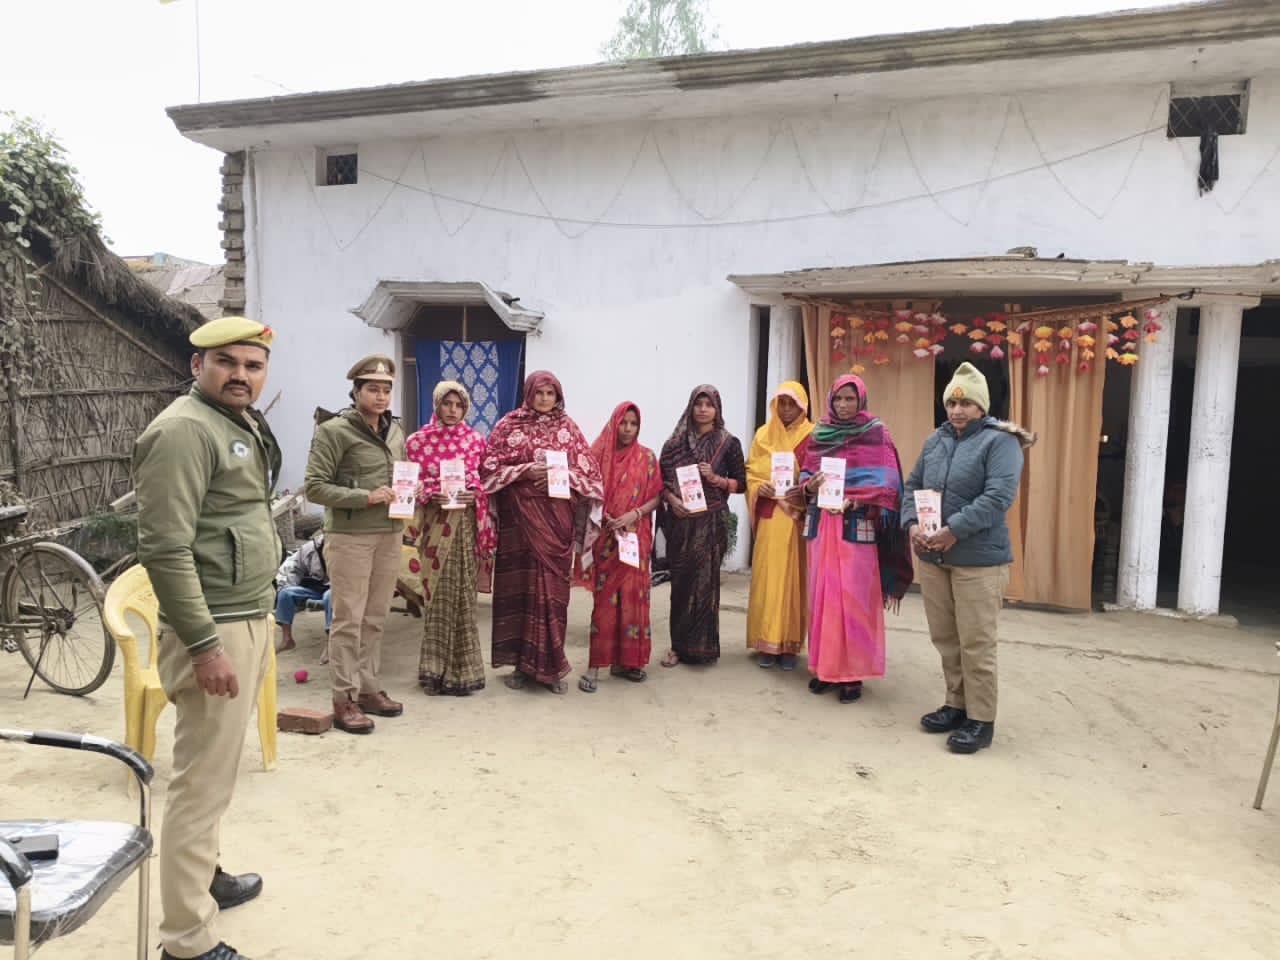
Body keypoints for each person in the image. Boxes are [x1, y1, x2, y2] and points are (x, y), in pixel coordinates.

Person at [133, 316, 280, 960]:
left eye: (253, 365)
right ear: (198, 366)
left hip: (244, 613)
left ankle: (206, 877)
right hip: (215, 626)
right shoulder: (183, 431)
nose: (241, 375)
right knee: (199, 784)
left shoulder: (232, 421)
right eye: (227, 363)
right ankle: (186, 941)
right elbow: (165, 549)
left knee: (218, 772)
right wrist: (203, 645)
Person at [901, 362, 1034, 754]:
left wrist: (953, 530)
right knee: (946, 638)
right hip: (934, 558)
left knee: (976, 642)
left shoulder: (1001, 442)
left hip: (979, 561)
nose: (958, 410)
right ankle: (956, 705)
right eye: (952, 403)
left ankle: (981, 719)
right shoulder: (936, 441)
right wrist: (912, 524)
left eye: (966, 403)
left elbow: (998, 497)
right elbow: (912, 486)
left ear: (982, 406)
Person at [481, 371, 603, 694]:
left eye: (551, 393)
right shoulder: (509, 425)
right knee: (520, 593)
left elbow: (591, 477)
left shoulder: (568, 428)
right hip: (519, 525)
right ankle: (521, 666)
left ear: (558, 396)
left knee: (553, 596)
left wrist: (558, 476)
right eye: (539, 392)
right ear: (529, 393)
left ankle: (551, 668)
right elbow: (488, 470)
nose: (545, 399)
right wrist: (525, 471)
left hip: (556, 525)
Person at [303, 355, 407, 734]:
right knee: (348, 619)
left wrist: (411, 492)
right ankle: (343, 698)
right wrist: (366, 496)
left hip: (390, 533)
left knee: (376, 617)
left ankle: (367, 688)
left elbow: (403, 474)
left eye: (386, 390)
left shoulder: (396, 431)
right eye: (372, 389)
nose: (380, 397)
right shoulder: (334, 431)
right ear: (356, 391)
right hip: (350, 537)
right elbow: (314, 487)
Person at [794, 375, 914, 704]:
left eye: (850, 398)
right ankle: (825, 668)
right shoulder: (820, 432)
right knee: (823, 596)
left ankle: (852, 674)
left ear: (861, 399)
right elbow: (805, 474)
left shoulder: (876, 433)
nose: (843, 405)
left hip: (857, 527)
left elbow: (889, 484)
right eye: (838, 399)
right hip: (823, 526)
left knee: (854, 599)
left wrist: (858, 500)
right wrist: (810, 486)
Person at [403, 380, 496, 696]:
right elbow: (408, 487)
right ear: (436, 404)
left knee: (464, 598)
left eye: (459, 405)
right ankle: (433, 671)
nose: (453, 410)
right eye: (447, 403)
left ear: (466, 408)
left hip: (465, 526)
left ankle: (463, 673)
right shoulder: (418, 442)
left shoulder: (475, 441)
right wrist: (431, 494)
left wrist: (474, 495)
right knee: (438, 597)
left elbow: (485, 483)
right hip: (434, 528)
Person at [575, 402, 663, 693]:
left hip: (635, 537)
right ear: (614, 423)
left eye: (633, 424)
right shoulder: (598, 456)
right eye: (623, 422)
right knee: (605, 603)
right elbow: (586, 493)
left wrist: (633, 515)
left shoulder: (647, 458)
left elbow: (656, 496)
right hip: (605, 538)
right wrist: (604, 516)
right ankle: (595, 666)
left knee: (634, 598)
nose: (627, 429)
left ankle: (627, 662)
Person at [658, 384, 747, 667]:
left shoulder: (728, 443)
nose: (703, 409)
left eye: (709, 404)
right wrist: (673, 500)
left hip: (711, 522)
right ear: (691, 406)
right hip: (682, 522)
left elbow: (741, 484)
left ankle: (703, 648)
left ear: (717, 410)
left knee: (706, 584)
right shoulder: (674, 445)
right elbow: (660, 483)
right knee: (681, 584)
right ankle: (677, 647)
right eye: (699, 403)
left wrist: (716, 479)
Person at [745, 381, 814, 670]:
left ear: (802, 406)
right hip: (771, 516)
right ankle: (766, 642)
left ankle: (789, 645)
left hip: (796, 517)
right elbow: (752, 472)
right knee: (767, 578)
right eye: (781, 403)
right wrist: (758, 487)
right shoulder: (763, 434)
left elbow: (815, 472)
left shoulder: (812, 435)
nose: (786, 409)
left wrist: (802, 491)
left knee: (793, 581)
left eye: (792, 404)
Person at [274, 534, 331, 655]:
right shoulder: (310, 548)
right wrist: (291, 585)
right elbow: (295, 569)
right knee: (285, 593)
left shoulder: (347, 548)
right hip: (315, 586)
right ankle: (287, 639)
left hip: (338, 589)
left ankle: (330, 643)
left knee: (329, 597)